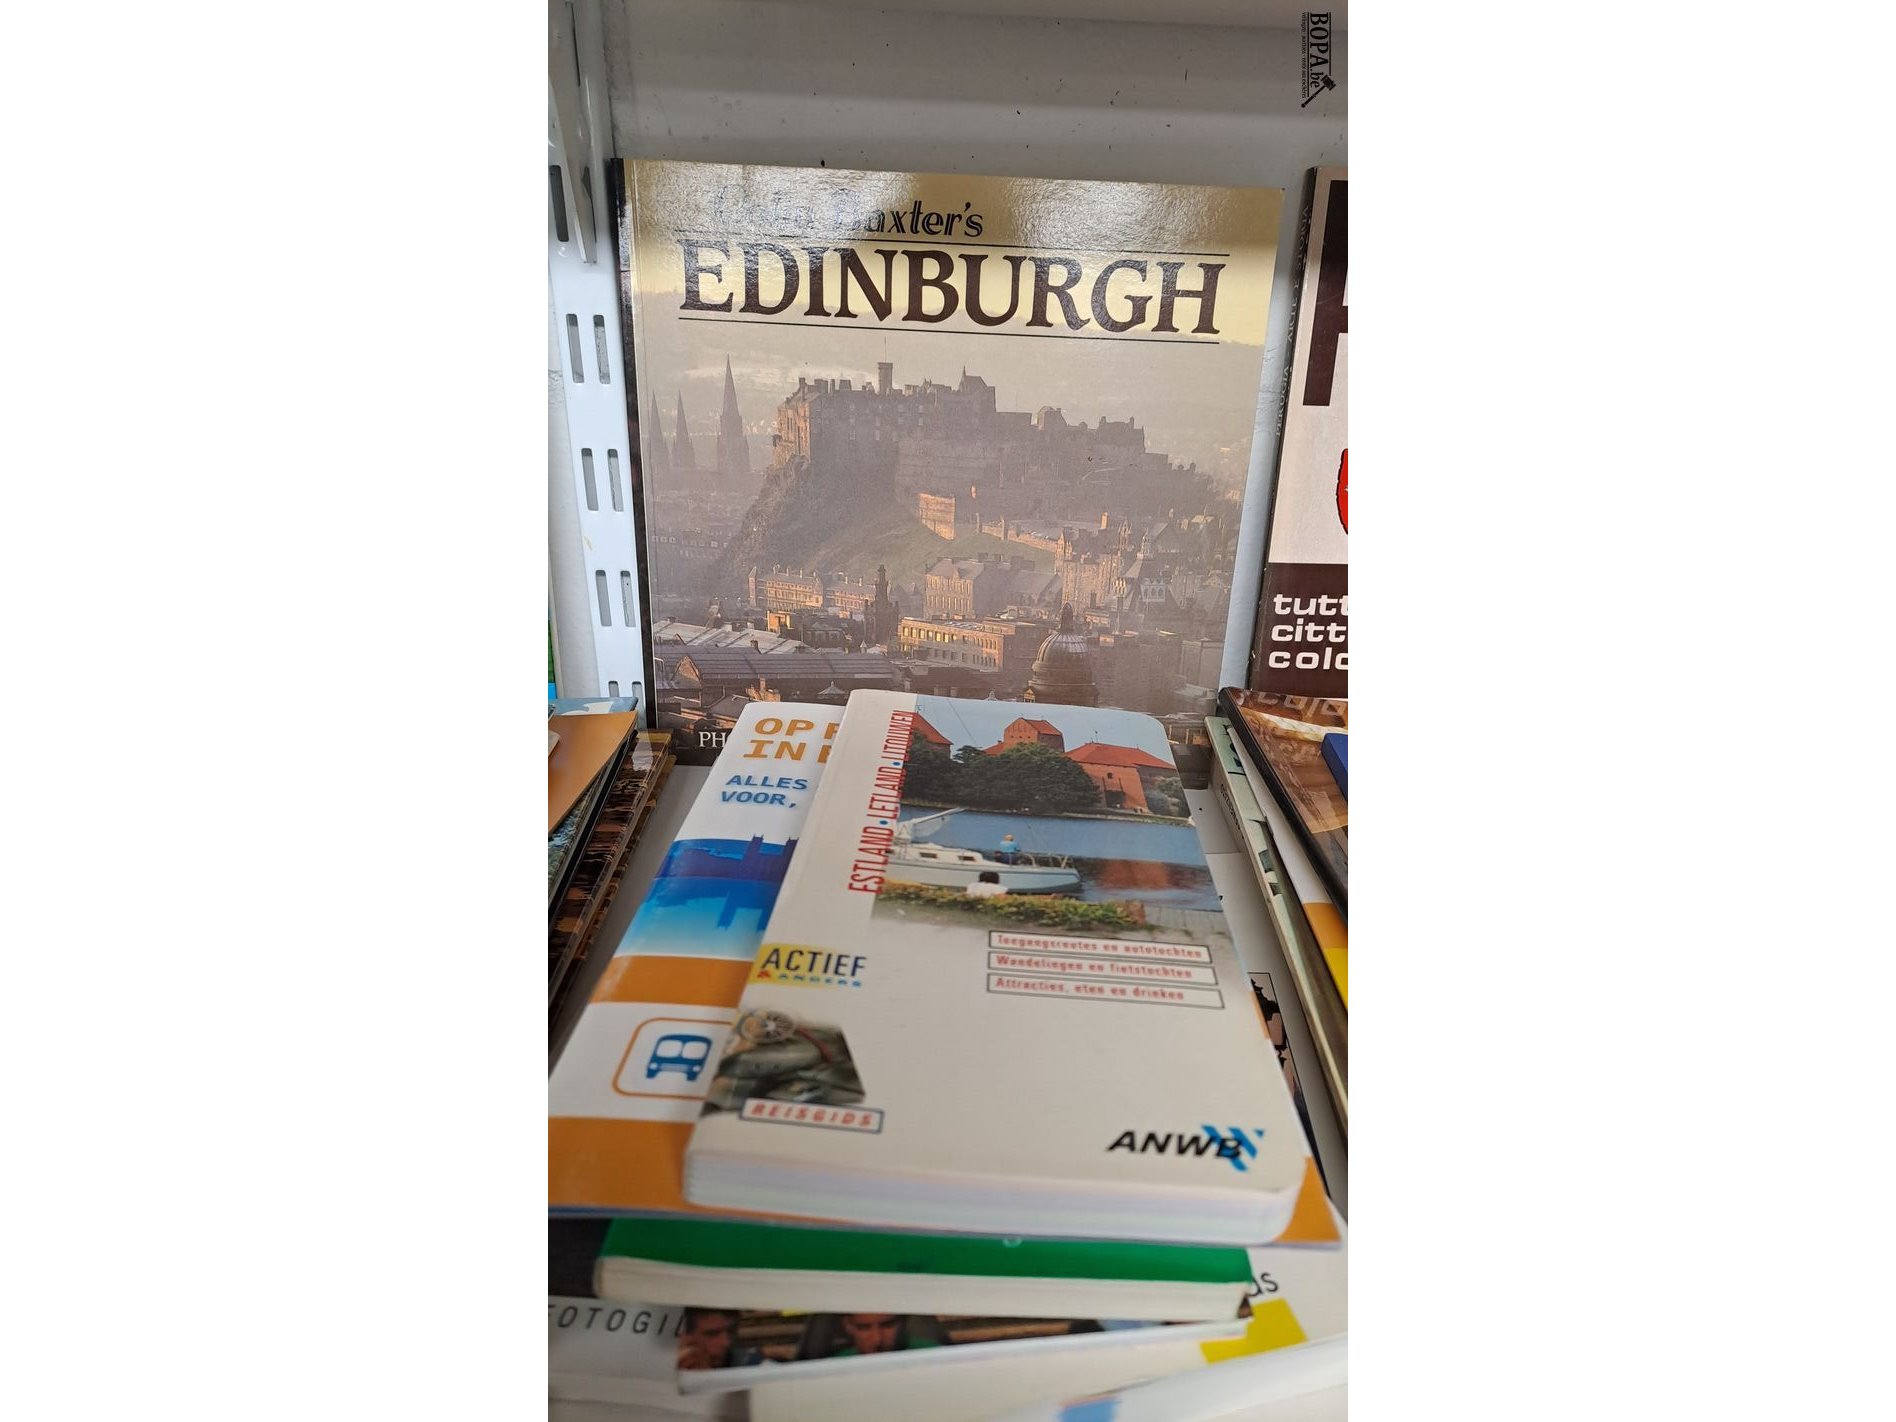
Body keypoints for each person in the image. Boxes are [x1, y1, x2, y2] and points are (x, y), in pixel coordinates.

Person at [678, 1308, 763, 1370]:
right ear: (685, 1337)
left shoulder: (740, 1362)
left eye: (731, 1331)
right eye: (712, 1334)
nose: (726, 1342)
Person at [834, 1314, 940, 1356]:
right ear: (848, 1326)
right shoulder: (839, 1363)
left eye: (887, 1325)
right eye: (864, 1328)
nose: (877, 1340)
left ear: (904, 1321)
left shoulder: (932, 1354)